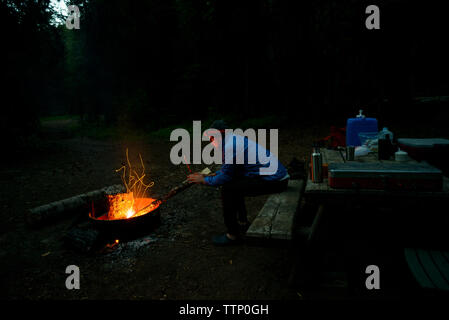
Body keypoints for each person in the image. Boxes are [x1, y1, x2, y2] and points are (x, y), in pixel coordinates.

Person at [187, 120, 289, 246]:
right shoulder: (233, 140)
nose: (210, 142)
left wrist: (204, 180)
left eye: (211, 138)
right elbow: (231, 170)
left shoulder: (231, 146)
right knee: (234, 183)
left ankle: (232, 235)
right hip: (278, 177)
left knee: (228, 189)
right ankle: (242, 222)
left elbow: (226, 177)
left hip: (276, 181)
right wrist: (208, 175)